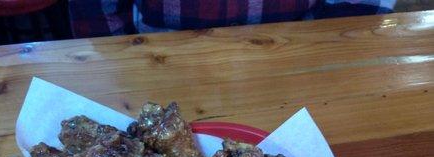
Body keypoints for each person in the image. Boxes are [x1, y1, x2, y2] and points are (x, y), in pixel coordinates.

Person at [68, 0, 396, 38]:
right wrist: (128, 54)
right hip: (160, 52)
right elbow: (96, 9)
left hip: (290, 48)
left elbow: (359, 9)